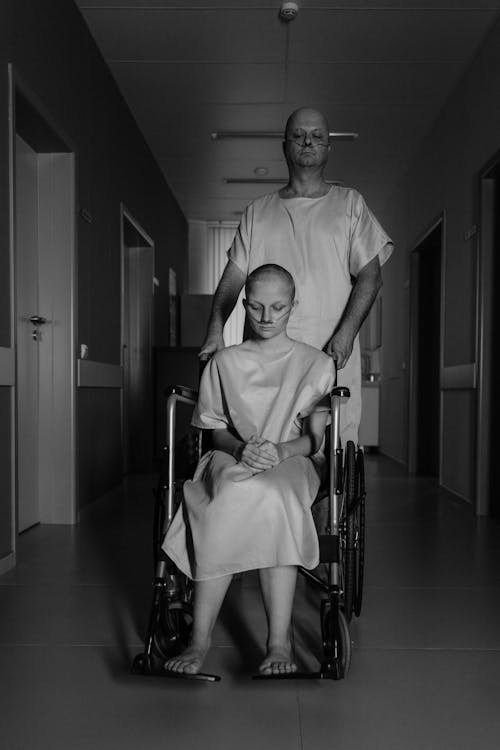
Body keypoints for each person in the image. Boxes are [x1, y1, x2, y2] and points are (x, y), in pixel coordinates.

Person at [163, 264, 336, 676]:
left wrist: (279, 450)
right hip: (232, 454)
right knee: (226, 496)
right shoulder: (224, 362)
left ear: (294, 305)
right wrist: (243, 449)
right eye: (256, 307)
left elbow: (315, 440)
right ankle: (199, 640)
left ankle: (279, 641)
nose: (267, 317)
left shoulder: (316, 363)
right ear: (245, 304)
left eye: (278, 307)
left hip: (292, 458)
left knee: (276, 498)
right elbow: (215, 432)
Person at [200, 107, 394, 444]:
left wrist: (346, 334)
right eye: (299, 135)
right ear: (285, 145)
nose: (308, 141)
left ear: (328, 148)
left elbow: (371, 277)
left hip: (329, 354)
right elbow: (233, 278)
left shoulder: (350, 205)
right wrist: (215, 330)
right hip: (266, 362)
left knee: (329, 458)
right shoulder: (258, 212)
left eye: (317, 135)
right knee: (262, 450)